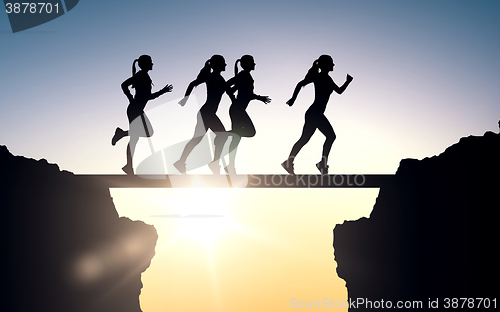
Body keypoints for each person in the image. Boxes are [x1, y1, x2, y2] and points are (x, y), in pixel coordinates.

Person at [281, 55, 353, 175]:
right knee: (329, 137)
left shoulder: (327, 79)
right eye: (331, 63)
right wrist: (293, 99)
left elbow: (339, 91)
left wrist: (347, 82)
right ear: (326, 65)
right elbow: (300, 84)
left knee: (306, 139)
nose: (333, 65)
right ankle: (321, 164)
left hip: (315, 113)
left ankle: (291, 162)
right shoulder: (319, 77)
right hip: (314, 113)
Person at [111, 55, 172, 175]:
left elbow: (147, 97)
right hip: (134, 110)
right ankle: (128, 165)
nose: (152, 64)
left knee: (144, 134)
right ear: (145, 64)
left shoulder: (144, 76)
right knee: (138, 137)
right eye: (150, 62)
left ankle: (123, 135)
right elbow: (124, 85)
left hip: (137, 110)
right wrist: (130, 99)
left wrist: (162, 92)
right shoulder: (141, 76)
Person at [174, 55, 235, 174]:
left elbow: (229, 92)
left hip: (208, 113)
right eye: (223, 63)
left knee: (198, 139)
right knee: (220, 136)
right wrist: (185, 99)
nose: (225, 65)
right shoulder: (212, 77)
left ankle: (181, 162)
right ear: (217, 65)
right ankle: (213, 163)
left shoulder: (220, 79)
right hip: (206, 113)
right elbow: (192, 84)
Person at [225, 55, 271, 174]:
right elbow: (226, 86)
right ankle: (223, 134)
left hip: (238, 109)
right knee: (250, 132)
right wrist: (232, 97)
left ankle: (230, 166)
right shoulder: (243, 75)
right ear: (248, 64)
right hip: (237, 110)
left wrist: (234, 93)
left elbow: (247, 93)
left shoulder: (245, 76)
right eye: (253, 63)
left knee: (236, 139)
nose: (254, 64)